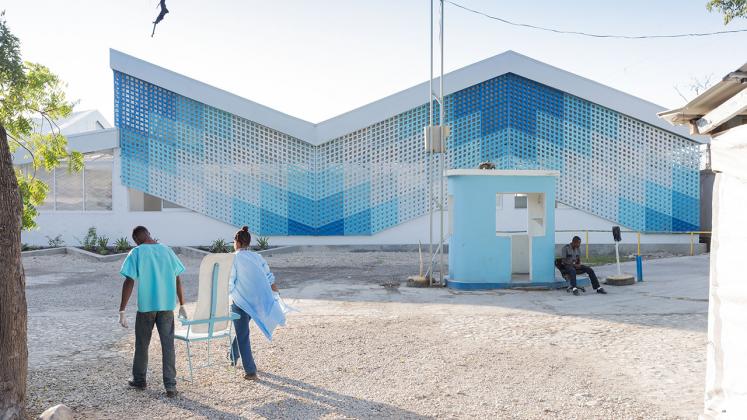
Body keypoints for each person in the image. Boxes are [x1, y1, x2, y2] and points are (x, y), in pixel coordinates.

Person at [118, 226, 187, 397]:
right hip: (166, 306)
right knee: (168, 345)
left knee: (142, 344)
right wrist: (182, 304)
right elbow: (177, 278)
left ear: (136, 239)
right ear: (149, 234)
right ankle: (170, 386)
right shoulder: (167, 250)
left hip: (146, 307)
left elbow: (129, 281)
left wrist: (122, 310)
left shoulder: (137, 252)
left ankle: (139, 380)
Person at [229, 226, 286, 380]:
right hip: (256, 302)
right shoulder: (257, 257)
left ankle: (250, 371)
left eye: (234, 241)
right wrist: (275, 292)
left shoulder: (233, 258)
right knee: (242, 331)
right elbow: (268, 276)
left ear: (238, 242)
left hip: (240, 302)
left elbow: (230, 281)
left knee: (242, 334)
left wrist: (228, 294)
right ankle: (232, 357)